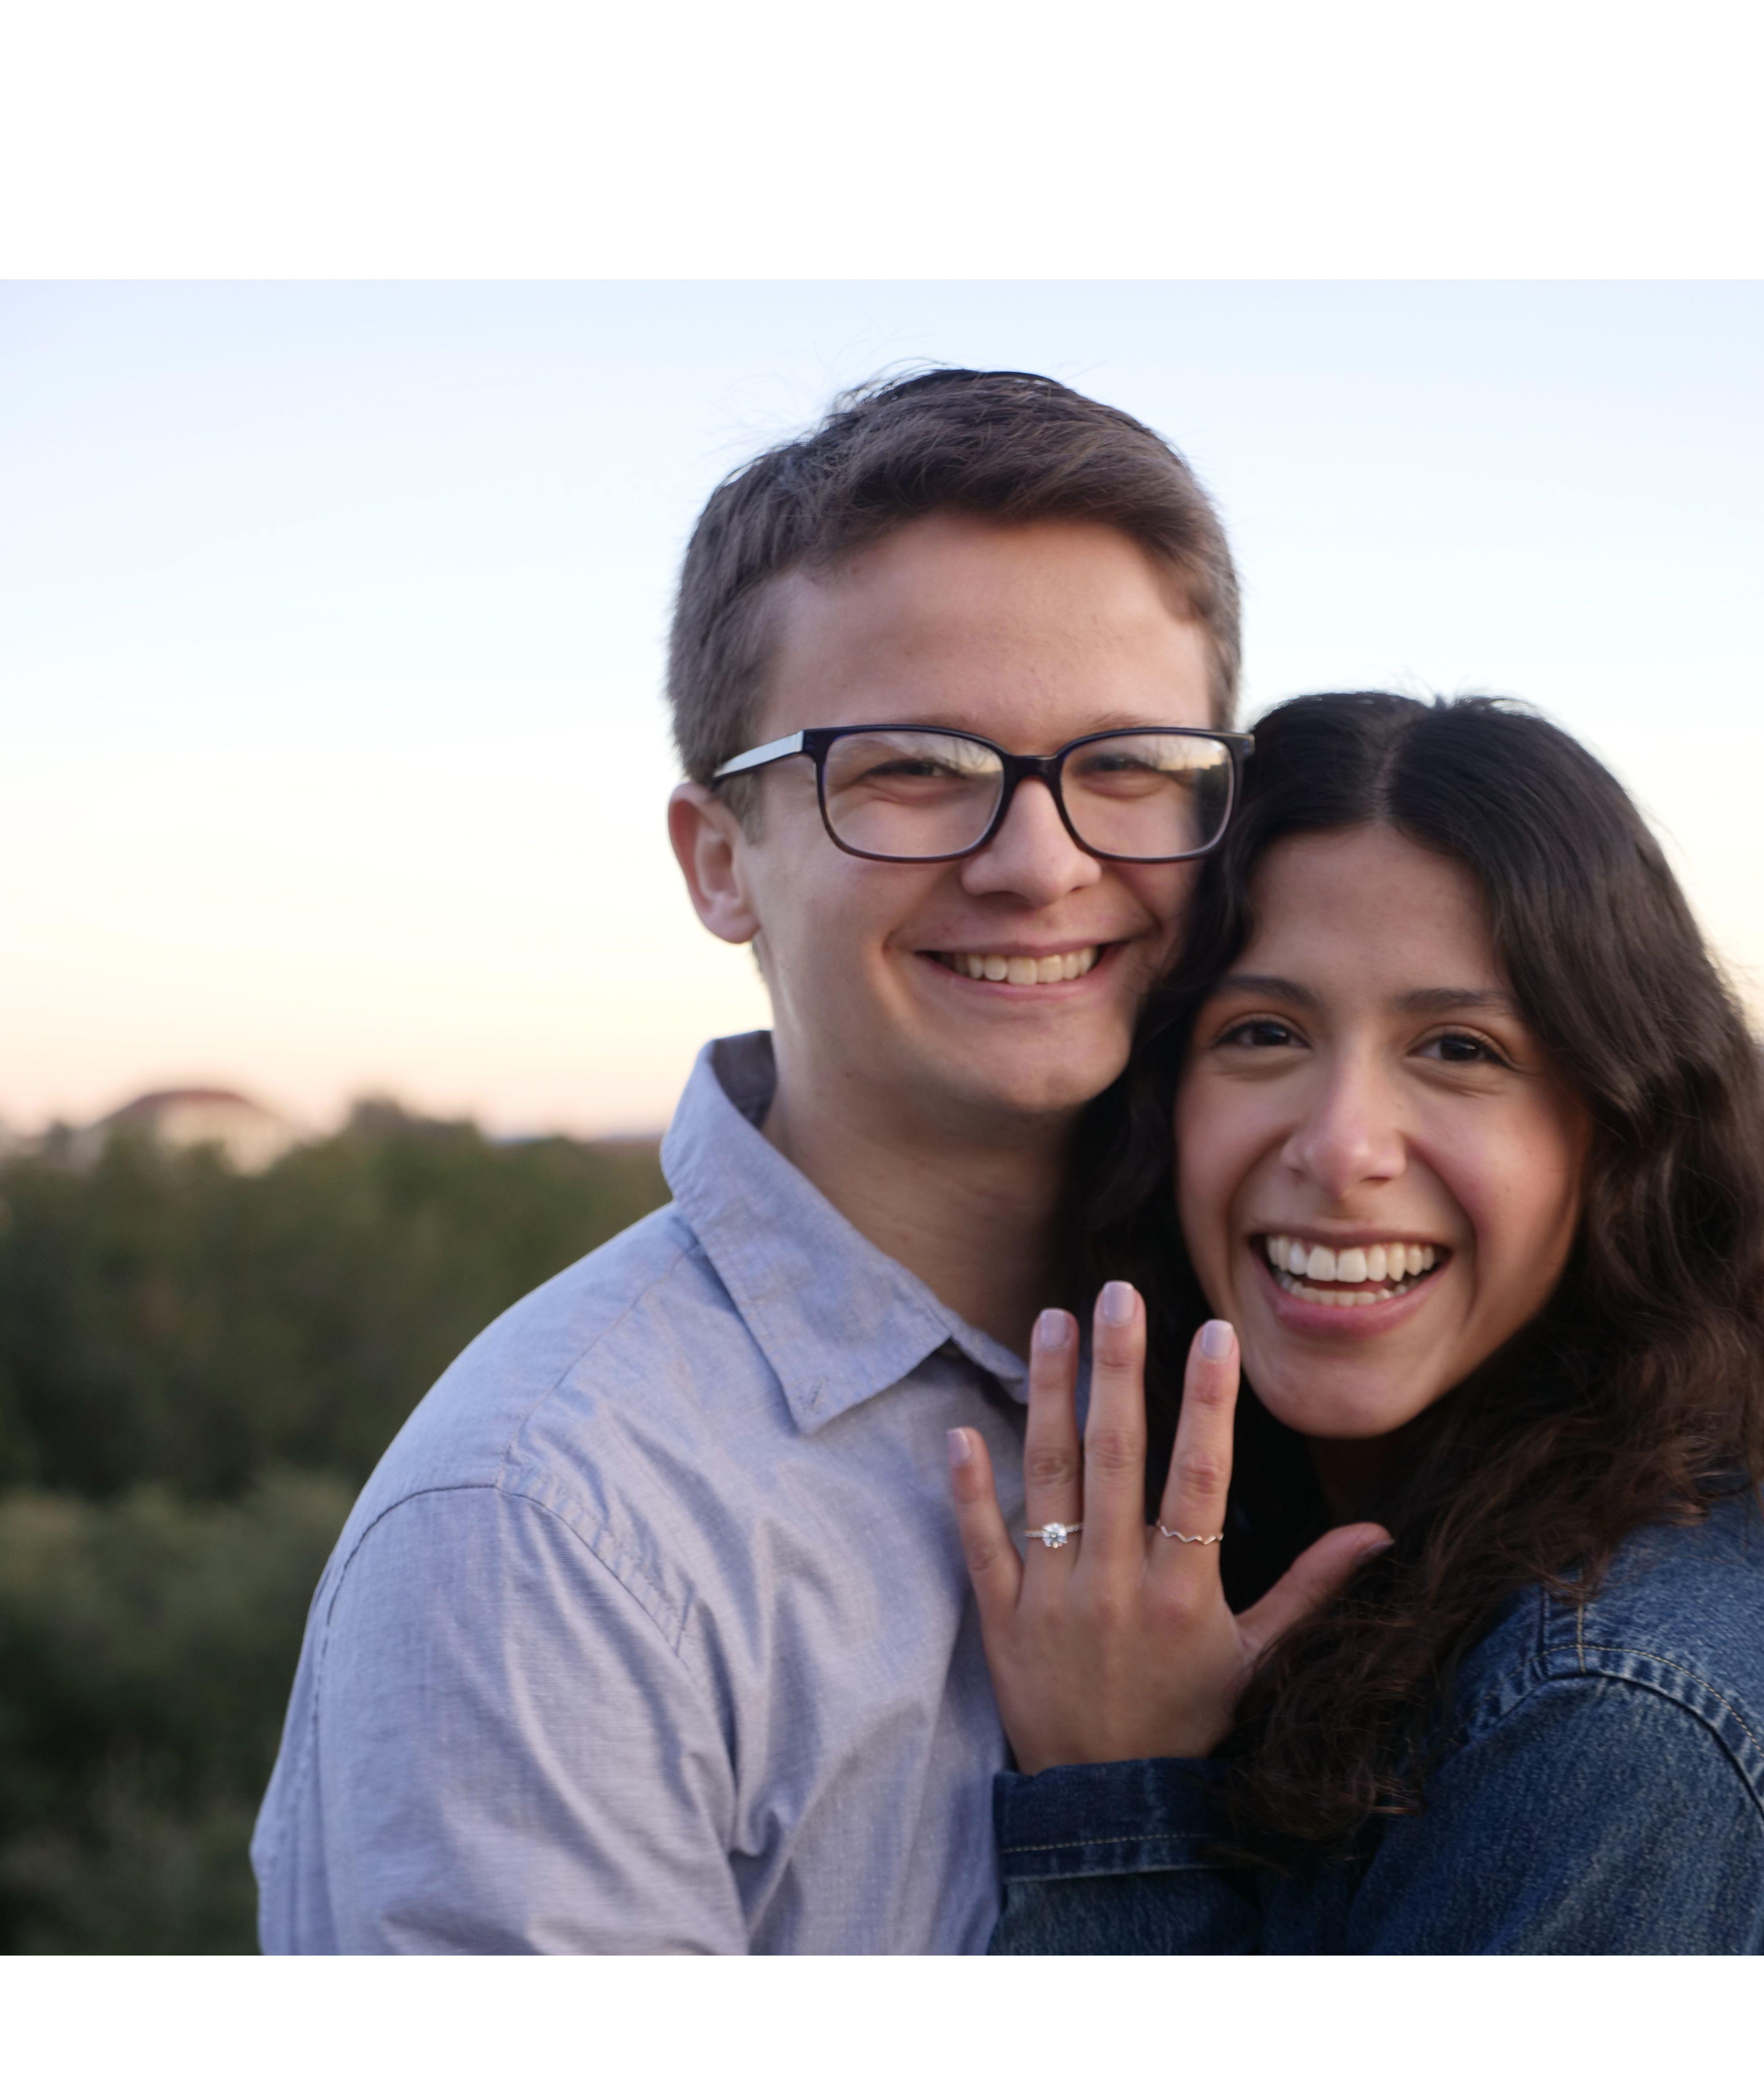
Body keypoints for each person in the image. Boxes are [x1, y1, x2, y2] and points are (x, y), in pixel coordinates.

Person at [251, 369, 1251, 1952]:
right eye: (915, 769)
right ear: (723, 861)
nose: (1043, 864)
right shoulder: (543, 1537)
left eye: (1129, 763)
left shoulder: (1314, 1365)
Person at [948, 691, 1764, 1954]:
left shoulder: (1607, 1721)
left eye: (1459, 1047)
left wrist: (1116, 1804)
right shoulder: (1396, 1549)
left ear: (1612, 1136)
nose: (1343, 1150)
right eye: (1264, 1032)